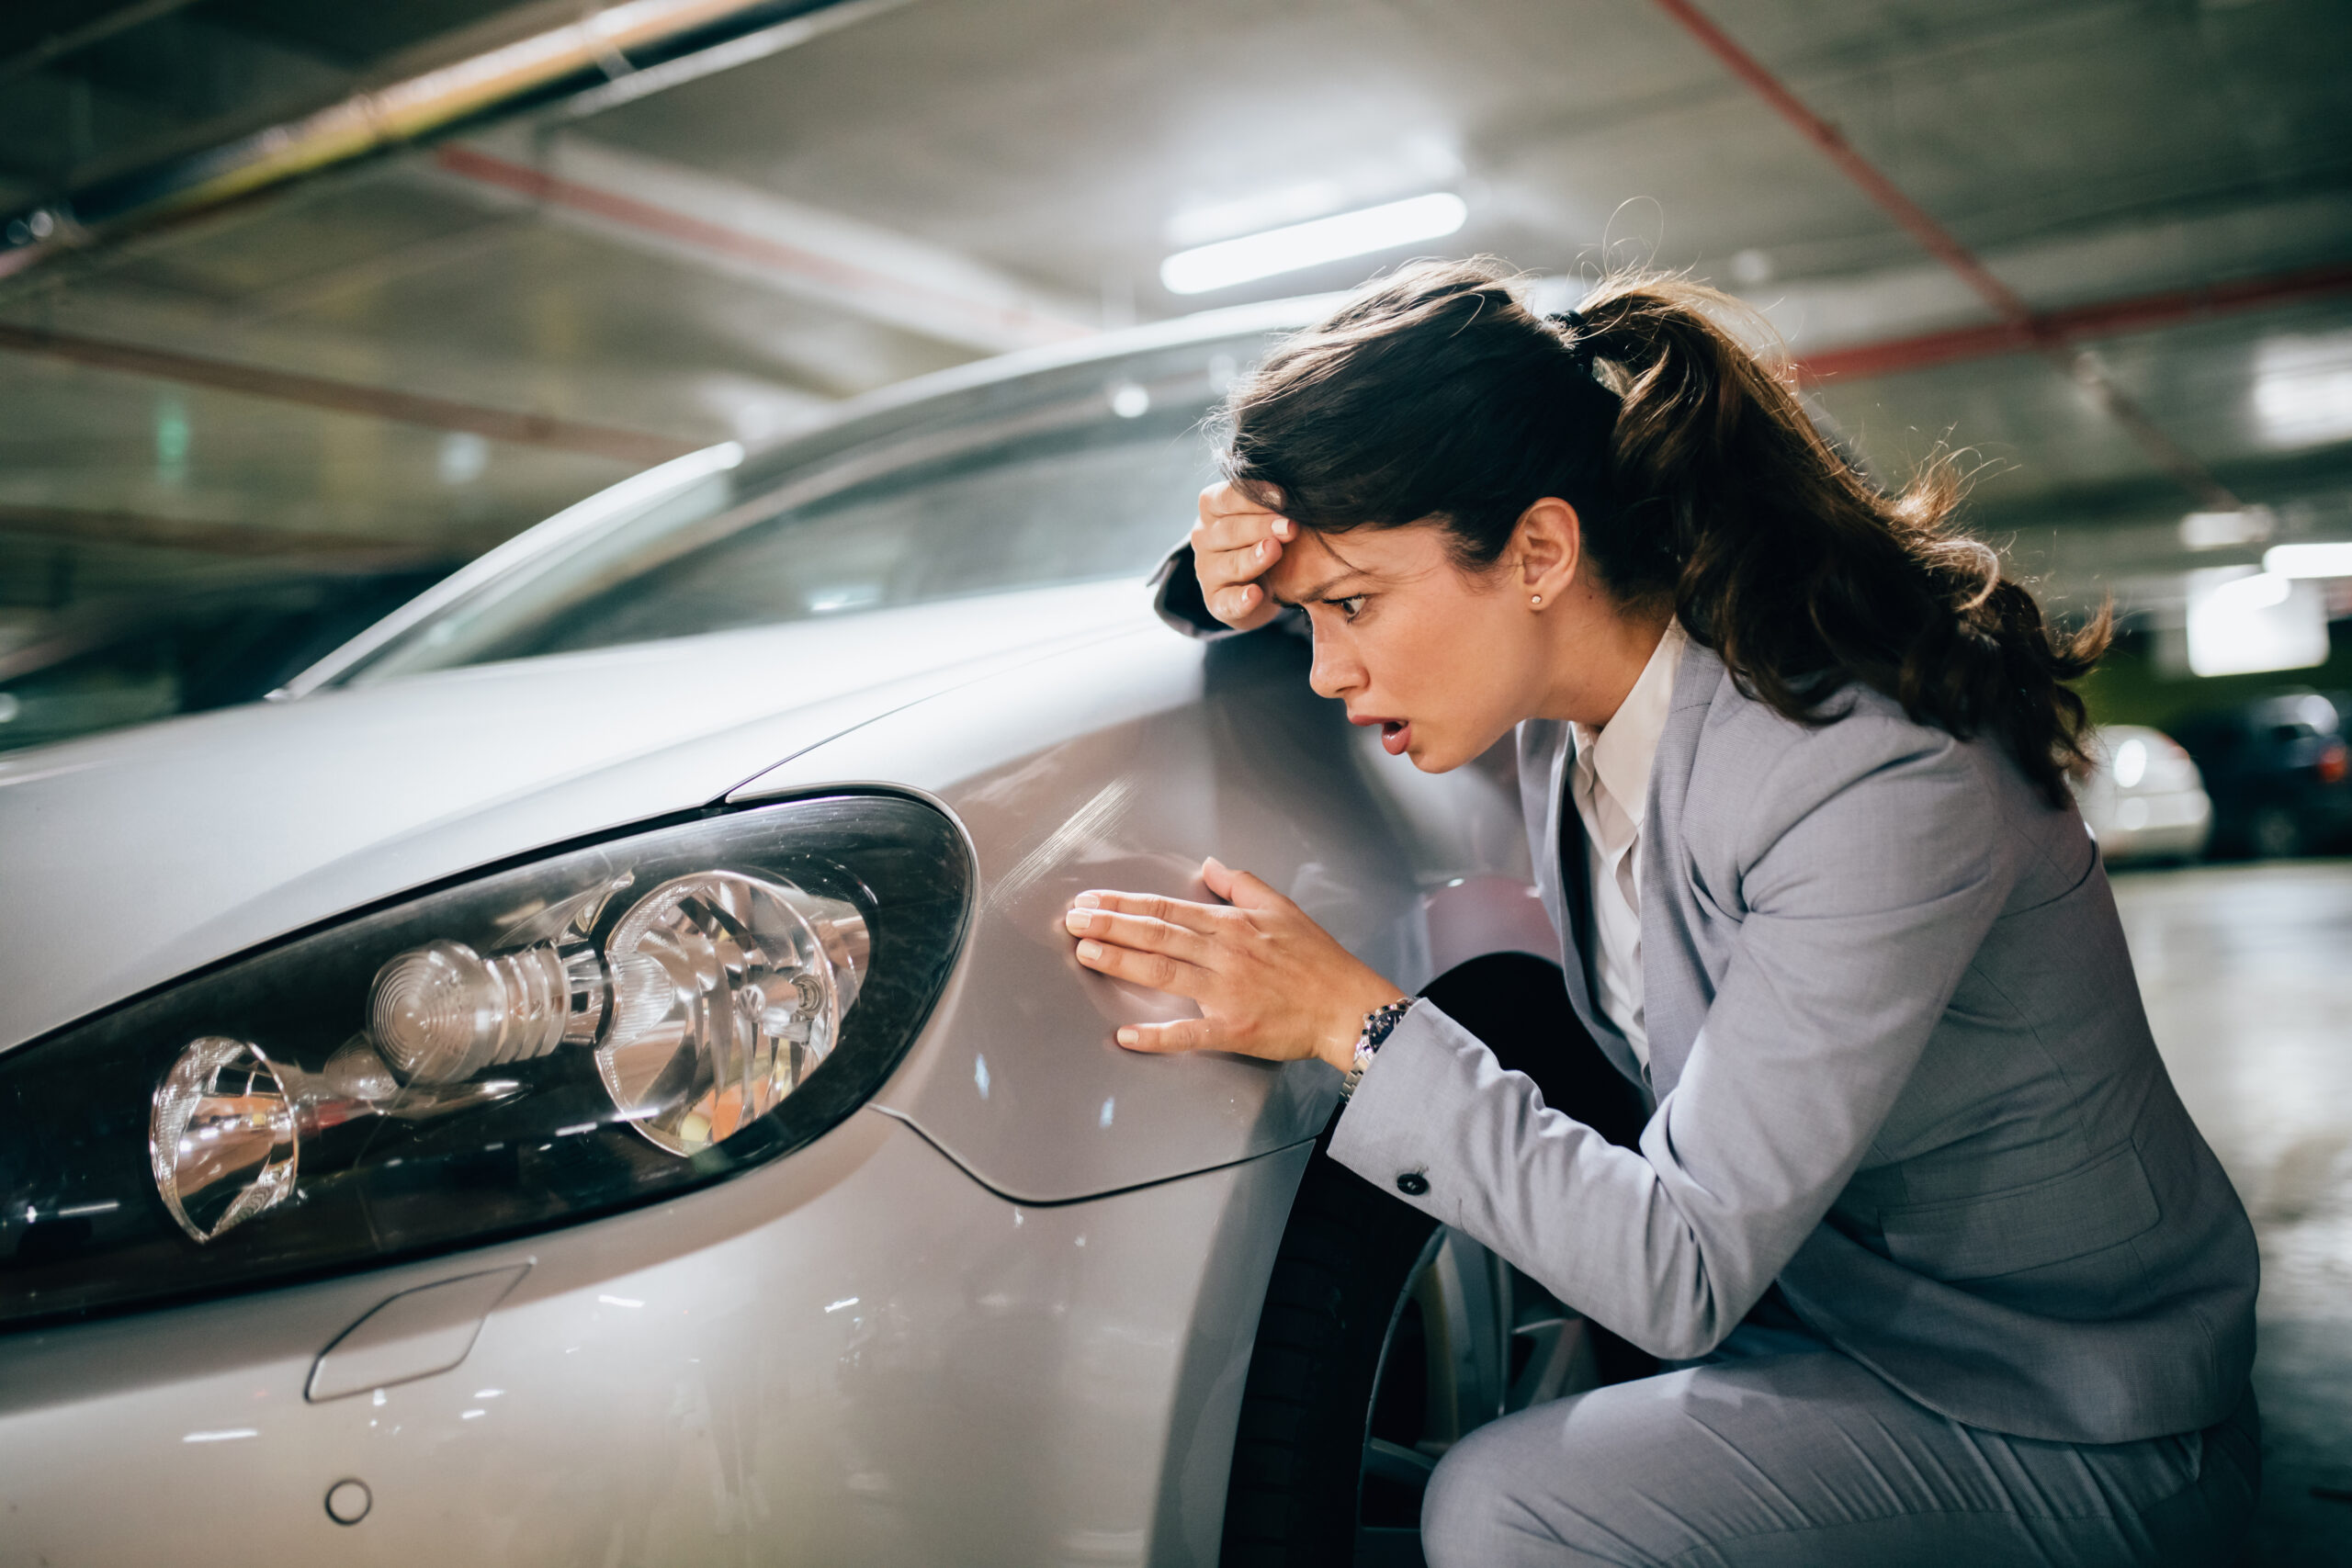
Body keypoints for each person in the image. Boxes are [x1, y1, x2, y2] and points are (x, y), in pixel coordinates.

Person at [1060, 260, 2260, 1566]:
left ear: (1538, 551)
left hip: (2063, 1409)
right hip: (1833, 1329)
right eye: (1308, 615)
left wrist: (1354, 1023)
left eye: (1350, 608)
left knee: (1505, 1505)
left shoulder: (1869, 780)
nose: (1328, 668)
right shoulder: (1577, 694)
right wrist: (1217, 580)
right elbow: (1351, 601)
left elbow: (1680, 1272)